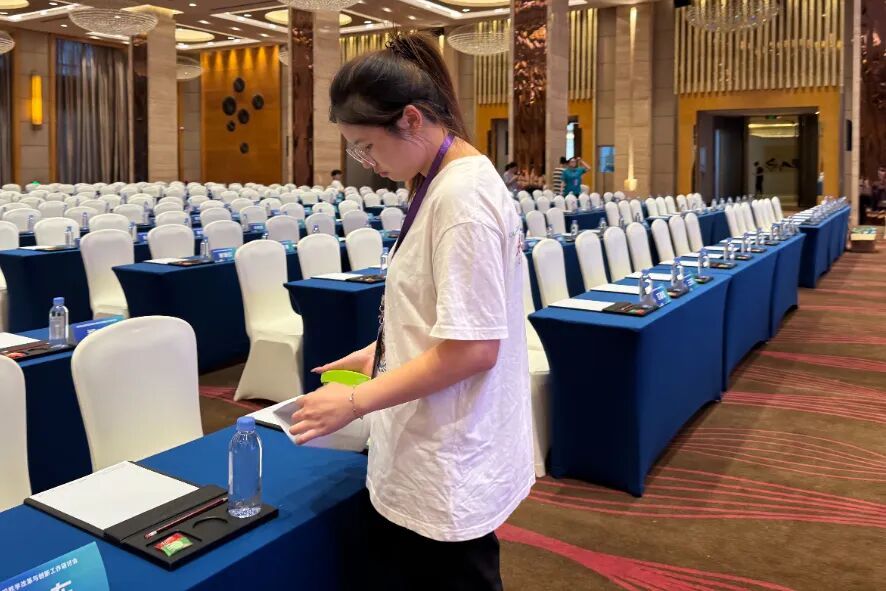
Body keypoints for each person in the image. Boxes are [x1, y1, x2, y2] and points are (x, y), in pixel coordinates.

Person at [289, 32, 533, 590]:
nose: (367, 163)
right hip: (437, 436)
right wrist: (380, 352)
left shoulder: (461, 198)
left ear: (412, 119)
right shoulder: (446, 180)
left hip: (446, 450)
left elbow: (473, 349)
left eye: (367, 146)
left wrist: (354, 401)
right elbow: (444, 314)